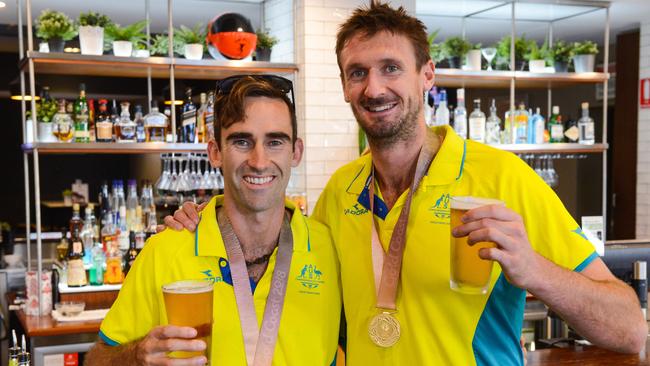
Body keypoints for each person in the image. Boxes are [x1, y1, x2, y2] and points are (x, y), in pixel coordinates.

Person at [165, 2, 647, 365]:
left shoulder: (502, 178)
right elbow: (285, 261)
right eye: (358, 73)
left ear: (427, 76)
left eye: (391, 68)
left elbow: (629, 329)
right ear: (344, 87)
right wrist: (206, 215)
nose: (374, 88)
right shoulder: (340, 191)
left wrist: (533, 269)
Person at [85, 75, 341, 366]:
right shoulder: (164, 250)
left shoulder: (330, 249)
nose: (259, 161)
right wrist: (138, 356)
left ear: (295, 152)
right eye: (242, 141)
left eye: (275, 142)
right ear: (215, 152)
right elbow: (97, 360)